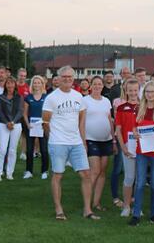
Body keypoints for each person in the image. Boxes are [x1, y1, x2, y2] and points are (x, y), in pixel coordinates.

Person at [43, 66, 98, 221]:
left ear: (74, 79)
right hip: (58, 143)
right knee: (58, 175)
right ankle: (59, 209)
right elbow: (45, 122)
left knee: (86, 174)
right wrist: (53, 138)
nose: (67, 79)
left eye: (70, 77)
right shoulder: (51, 98)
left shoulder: (78, 96)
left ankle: (87, 210)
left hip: (76, 143)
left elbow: (81, 122)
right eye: (64, 76)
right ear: (59, 78)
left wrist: (83, 141)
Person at [128, 81, 154, 226]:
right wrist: (135, 134)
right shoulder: (139, 108)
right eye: (147, 91)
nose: (150, 94)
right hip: (142, 151)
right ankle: (136, 214)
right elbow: (134, 127)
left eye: (153, 91)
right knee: (139, 184)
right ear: (144, 93)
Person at [84, 76, 114, 213]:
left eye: (99, 84)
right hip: (90, 140)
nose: (97, 86)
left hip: (106, 140)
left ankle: (96, 203)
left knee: (102, 172)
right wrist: (82, 140)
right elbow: (80, 122)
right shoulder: (84, 101)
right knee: (94, 171)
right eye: (94, 84)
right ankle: (87, 205)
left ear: (103, 86)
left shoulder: (107, 101)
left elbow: (109, 120)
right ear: (90, 86)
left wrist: (113, 139)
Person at [114, 79, 140, 217]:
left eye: (135, 90)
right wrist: (123, 147)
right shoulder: (122, 108)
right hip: (128, 147)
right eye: (130, 90)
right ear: (126, 91)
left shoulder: (144, 106)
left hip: (142, 148)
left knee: (140, 179)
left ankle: (137, 206)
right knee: (129, 177)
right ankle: (126, 206)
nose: (133, 93)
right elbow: (118, 129)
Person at [0, 77, 24, 180]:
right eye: (8, 83)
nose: (10, 85)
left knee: (12, 150)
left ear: (15, 85)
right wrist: (7, 122)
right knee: (2, 149)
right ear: (5, 85)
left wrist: (13, 122)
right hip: (4, 125)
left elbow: (20, 111)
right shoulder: (1, 97)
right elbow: (0, 112)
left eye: (12, 83)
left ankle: (9, 173)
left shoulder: (19, 97)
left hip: (16, 125)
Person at [23, 75, 49, 180]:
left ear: (42, 84)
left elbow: (48, 113)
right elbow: (24, 113)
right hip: (31, 126)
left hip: (43, 126)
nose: (37, 84)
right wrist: (28, 124)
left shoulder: (46, 97)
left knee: (44, 150)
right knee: (29, 150)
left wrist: (46, 123)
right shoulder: (28, 97)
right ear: (32, 84)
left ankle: (44, 171)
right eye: (35, 82)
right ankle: (29, 171)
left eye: (39, 82)